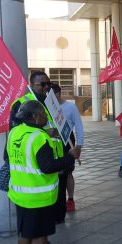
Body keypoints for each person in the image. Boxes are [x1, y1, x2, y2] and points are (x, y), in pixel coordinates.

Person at [7, 101, 80, 244]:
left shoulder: (15, 132)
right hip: (39, 197)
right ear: (35, 117)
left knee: (25, 234)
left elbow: (9, 158)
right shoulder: (39, 138)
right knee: (40, 237)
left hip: (20, 194)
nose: (47, 118)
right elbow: (48, 167)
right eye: (44, 115)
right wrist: (70, 156)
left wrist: (48, 133)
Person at [8, 72, 61, 244]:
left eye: (48, 84)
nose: (46, 88)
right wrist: (47, 133)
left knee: (41, 224)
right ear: (32, 84)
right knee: (30, 225)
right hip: (32, 173)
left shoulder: (48, 101)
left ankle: (42, 243)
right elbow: (21, 132)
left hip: (47, 164)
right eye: (42, 84)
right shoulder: (23, 103)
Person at [51, 84, 84, 212]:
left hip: (67, 141)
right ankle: (57, 199)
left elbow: (79, 126)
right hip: (52, 142)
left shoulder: (70, 107)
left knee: (68, 172)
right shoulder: (47, 107)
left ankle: (70, 199)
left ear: (58, 94)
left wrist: (79, 145)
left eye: (52, 95)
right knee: (55, 172)